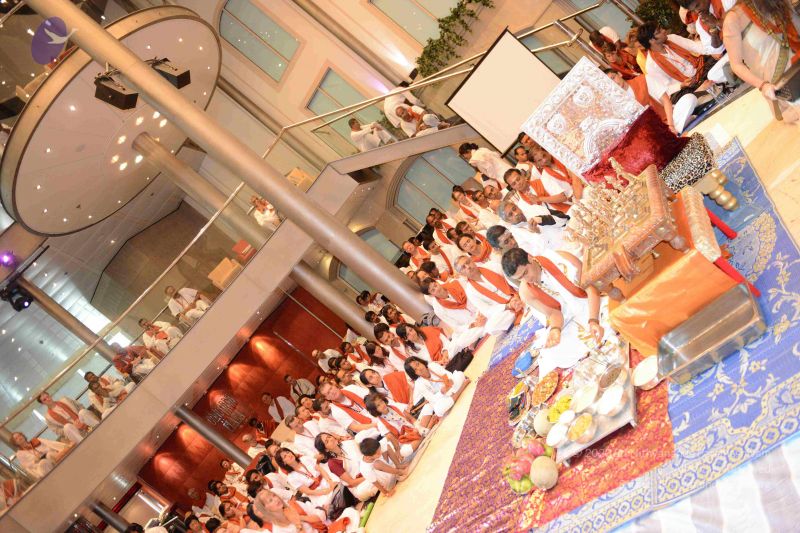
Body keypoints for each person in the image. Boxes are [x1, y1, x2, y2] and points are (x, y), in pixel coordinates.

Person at [501, 248, 608, 377]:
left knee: (610, 318)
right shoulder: (526, 291)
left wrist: (593, 320)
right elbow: (553, 314)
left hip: (592, 303)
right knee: (553, 352)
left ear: (529, 257)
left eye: (525, 272)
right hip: (570, 321)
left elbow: (592, 288)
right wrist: (555, 329)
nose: (527, 279)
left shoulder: (560, 258)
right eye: (520, 278)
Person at [722, 0, 800, 122]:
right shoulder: (733, 19)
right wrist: (763, 85)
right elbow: (736, 65)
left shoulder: (777, 2)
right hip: (781, 88)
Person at [454, 255, 523, 335]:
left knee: (525, 289)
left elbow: (511, 278)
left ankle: (521, 305)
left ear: (472, 261)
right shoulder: (470, 291)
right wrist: (508, 306)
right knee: (490, 328)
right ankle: (516, 310)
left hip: (518, 294)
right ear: (461, 274)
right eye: (463, 267)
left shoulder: (491, 266)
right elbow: (487, 310)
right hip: (506, 309)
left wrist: (516, 295)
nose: (468, 267)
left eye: (468, 262)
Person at [314, 432, 377, 501]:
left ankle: (378, 481)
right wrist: (369, 476)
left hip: (370, 471)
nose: (331, 439)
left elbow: (367, 457)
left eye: (329, 436)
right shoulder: (332, 463)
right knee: (364, 490)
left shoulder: (348, 444)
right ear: (326, 449)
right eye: (327, 441)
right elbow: (352, 482)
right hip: (359, 485)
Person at [404, 356, 469, 419]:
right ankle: (462, 387)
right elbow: (432, 399)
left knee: (459, 374)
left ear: (421, 362)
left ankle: (453, 397)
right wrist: (441, 392)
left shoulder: (432, 365)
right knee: (438, 410)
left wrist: (450, 380)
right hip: (443, 397)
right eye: (415, 369)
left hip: (451, 387)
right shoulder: (418, 384)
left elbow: (447, 374)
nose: (419, 368)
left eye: (418, 364)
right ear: (414, 374)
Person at [363, 394, 422, 458]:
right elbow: (394, 442)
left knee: (427, 409)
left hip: (415, 428)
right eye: (378, 405)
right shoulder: (381, 424)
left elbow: (412, 419)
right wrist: (398, 452)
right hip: (406, 439)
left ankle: (421, 434)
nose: (382, 405)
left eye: (381, 401)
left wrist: (417, 426)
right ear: (375, 410)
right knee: (404, 452)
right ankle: (422, 436)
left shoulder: (395, 406)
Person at [498, 200, 565, 254]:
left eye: (514, 209)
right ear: (507, 221)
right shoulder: (515, 236)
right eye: (510, 214)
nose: (516, 213)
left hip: (566, 235)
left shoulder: (533, 209)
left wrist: (544, 219)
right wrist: (537, 233)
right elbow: (535, 255)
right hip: (556, 253)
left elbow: (563, 218)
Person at [504, 167, 571, 216]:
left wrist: (539, 199)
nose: (518, 183)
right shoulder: (522, 205)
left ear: (522, 175)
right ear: (512, 187)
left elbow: (563, 197)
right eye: (514, 184)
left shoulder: (543, 181)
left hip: (567, 212)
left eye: (518, 179)